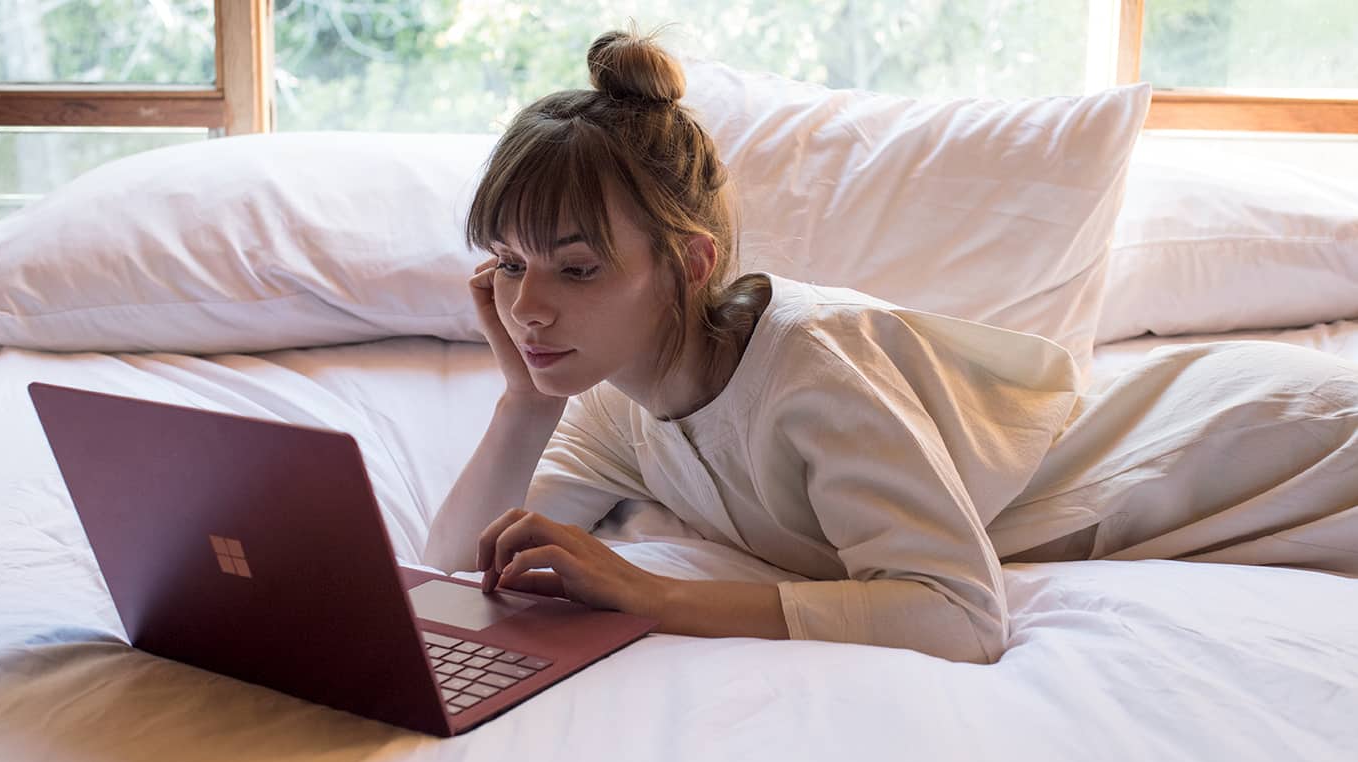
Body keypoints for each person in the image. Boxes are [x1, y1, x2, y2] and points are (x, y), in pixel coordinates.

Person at [423, 29, 1358, 664]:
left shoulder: (810, 364)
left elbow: (956, 613)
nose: (527, 308)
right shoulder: (612, 405)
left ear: (687, 265)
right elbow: (450, 567)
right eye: (506, 264)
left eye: (576, 271)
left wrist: (650, 596)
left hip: (1248, 445)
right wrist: (525, 404)